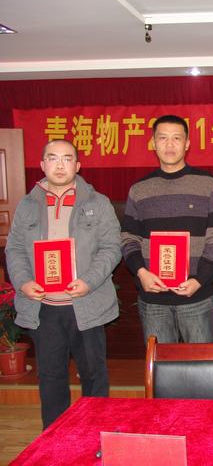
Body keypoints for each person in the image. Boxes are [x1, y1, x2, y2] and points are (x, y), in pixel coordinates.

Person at [6, 139, 121, 429]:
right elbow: (15, 249)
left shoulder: (98, 203)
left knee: (94, 376)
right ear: (42, 164)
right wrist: (23, 282)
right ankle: (54, 439)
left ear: (77, 165)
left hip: (86, 306)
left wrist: (88, 282)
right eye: (53, 158)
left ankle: (95, 435)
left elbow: (111, 248)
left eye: (67, 158)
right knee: (50, 377)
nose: (60, 165)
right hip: (43, 308)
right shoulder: (27, 205)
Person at [121, 115, 213, 344]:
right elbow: (128, 238)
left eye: (177, 138)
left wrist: (199, 280)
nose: (169, 144)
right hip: (153, 300)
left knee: (203, 363)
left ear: (187, 144)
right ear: (153, 143)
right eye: (163, 138)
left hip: (197, 297)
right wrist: (142, 273)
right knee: (160, 364)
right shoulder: (139, 189)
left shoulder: (207, 183)